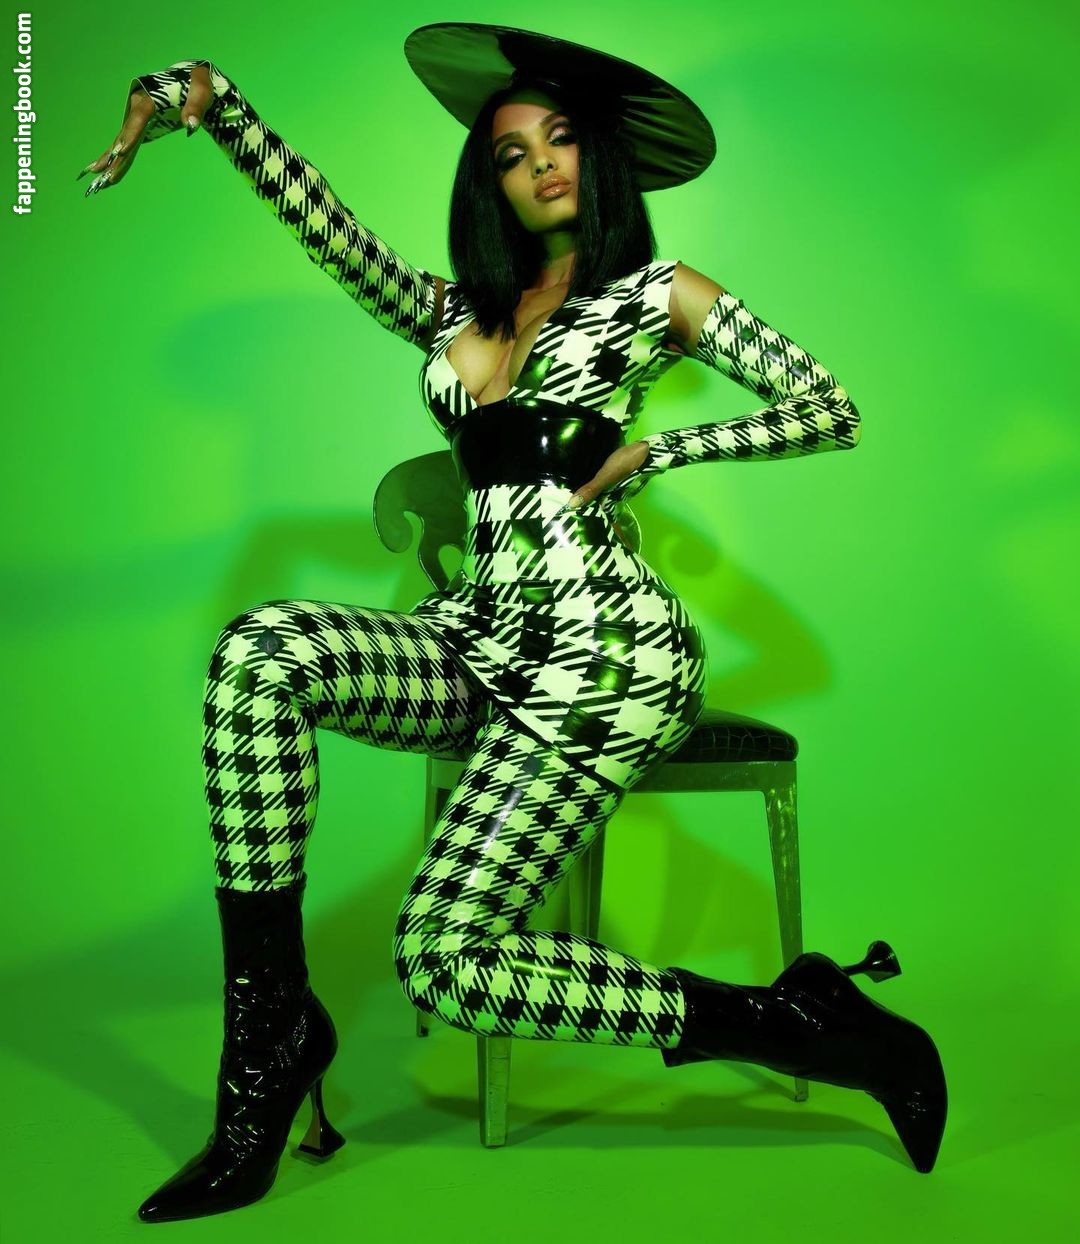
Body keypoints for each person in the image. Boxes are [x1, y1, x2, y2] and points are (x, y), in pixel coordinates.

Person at [80, 23, 946, 1225]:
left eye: (562, 139)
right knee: (261, 651)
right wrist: (217, 104)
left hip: (606, 654)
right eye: (510, 152)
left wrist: (659, 450)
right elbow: (332, 233)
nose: (539, 164)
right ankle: (269, 1035)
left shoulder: (658, 292)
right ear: (487, 181)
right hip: (479, 638)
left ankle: (789, 1018)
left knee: (443, 956)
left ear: (601, 157)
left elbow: (829, 406)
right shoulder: (456, 311)